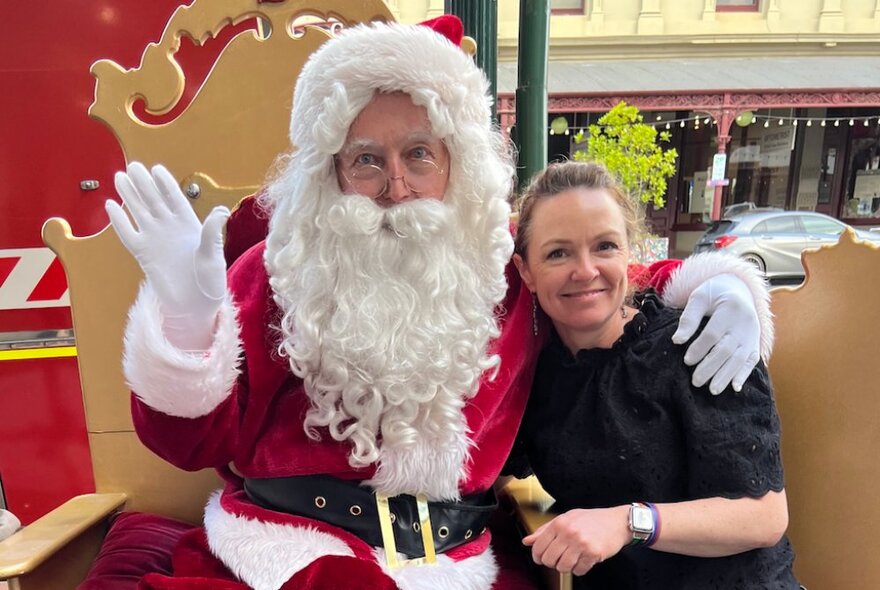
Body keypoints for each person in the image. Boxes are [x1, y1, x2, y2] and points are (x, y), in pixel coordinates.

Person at [104, 17, 773, 590]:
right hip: (287, 553)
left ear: (458, 162)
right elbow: (189, 444)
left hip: (458, 562)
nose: (396, 186)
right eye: (366, 159)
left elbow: (596, 271)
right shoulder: (281, 269)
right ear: (332, 171)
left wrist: (715, 282)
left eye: (419, 154)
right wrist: (187, 318)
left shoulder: (504, 263)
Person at [508, 161, 797, 589]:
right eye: (558, 252)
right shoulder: (538, 375)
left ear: (630, 254)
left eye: (604, 246)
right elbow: (497, 471)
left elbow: (764, 517)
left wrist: (629, 522)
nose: (585, 270)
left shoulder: (701, 341)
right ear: (526, 270)